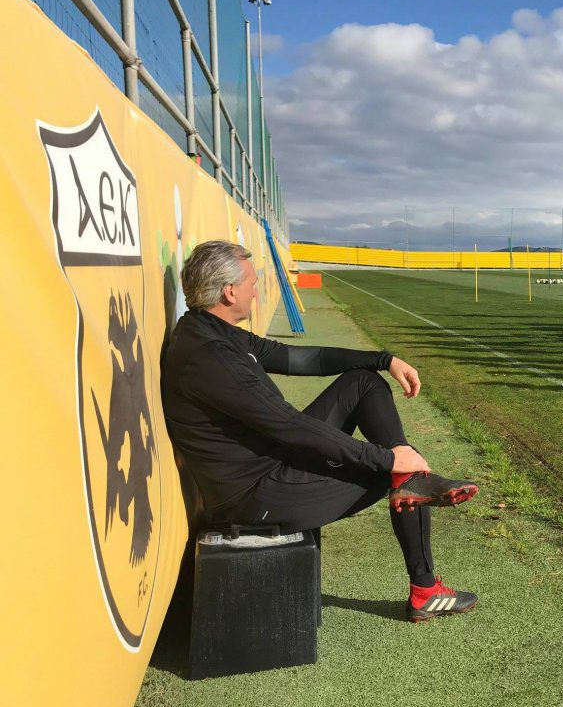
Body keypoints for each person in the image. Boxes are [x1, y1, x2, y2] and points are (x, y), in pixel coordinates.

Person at [162, 240, 480, 623]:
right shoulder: (209, 356)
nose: (255, 291)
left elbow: (301, 358)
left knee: (363, 383)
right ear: (230, 292)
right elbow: (288, 426)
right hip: (256, 494)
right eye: (251, 283)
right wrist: (386, 459)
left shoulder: (212, 330)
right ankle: (425, 589)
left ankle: (409, 481)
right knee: (396, 475)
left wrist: (384, 360)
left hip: (273, 459)